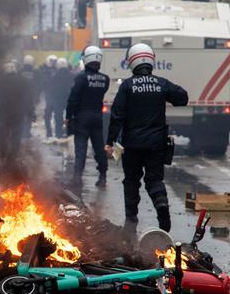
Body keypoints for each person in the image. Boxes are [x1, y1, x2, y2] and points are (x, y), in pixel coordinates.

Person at [106, 43, 188, 231]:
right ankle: (161, 205)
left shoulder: (127, 86)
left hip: (132, 144)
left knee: (131, 181)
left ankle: (131, 223)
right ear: (151, 61)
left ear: (132, 62)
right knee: (154, 180)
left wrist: (109, 141)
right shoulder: (161, 83)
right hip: (156, 144)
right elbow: (183, 98)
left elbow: (117, 116)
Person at [66, 46, 110, 186]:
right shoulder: (105, 79)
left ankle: (77, 177)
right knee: (99, 147)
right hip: (97, 117)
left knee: (81, 148)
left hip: (82, 117)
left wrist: (68, 116)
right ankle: (102, 176)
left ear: (86, 59)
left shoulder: (81, 78)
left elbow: (73, 99)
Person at [46, 57, 73, 139]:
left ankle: (59, 133)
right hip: (69, 98)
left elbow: (50, 87)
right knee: (70, 116)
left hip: (58, 99)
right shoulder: (72, 75)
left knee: (58, 117)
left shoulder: (54, 75)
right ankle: (69, 132)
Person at [38, 55, 57, 136]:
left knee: (57, 115)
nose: (53, 63)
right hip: (49, 95)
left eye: (54, 61)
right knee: (48, 115)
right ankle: (50, 132)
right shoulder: (43, 70)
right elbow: (42, 82)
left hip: (54, 95)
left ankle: (57, 132)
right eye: (51, 61)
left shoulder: (57, 70)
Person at [20, 55, 36, 139]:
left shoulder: (20, 71)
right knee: (30, 113)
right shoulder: (35, 72)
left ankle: (22, 131)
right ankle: (27, 132)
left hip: (21, 96)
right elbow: (38, 84)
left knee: (21, 114)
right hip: (31, 96)